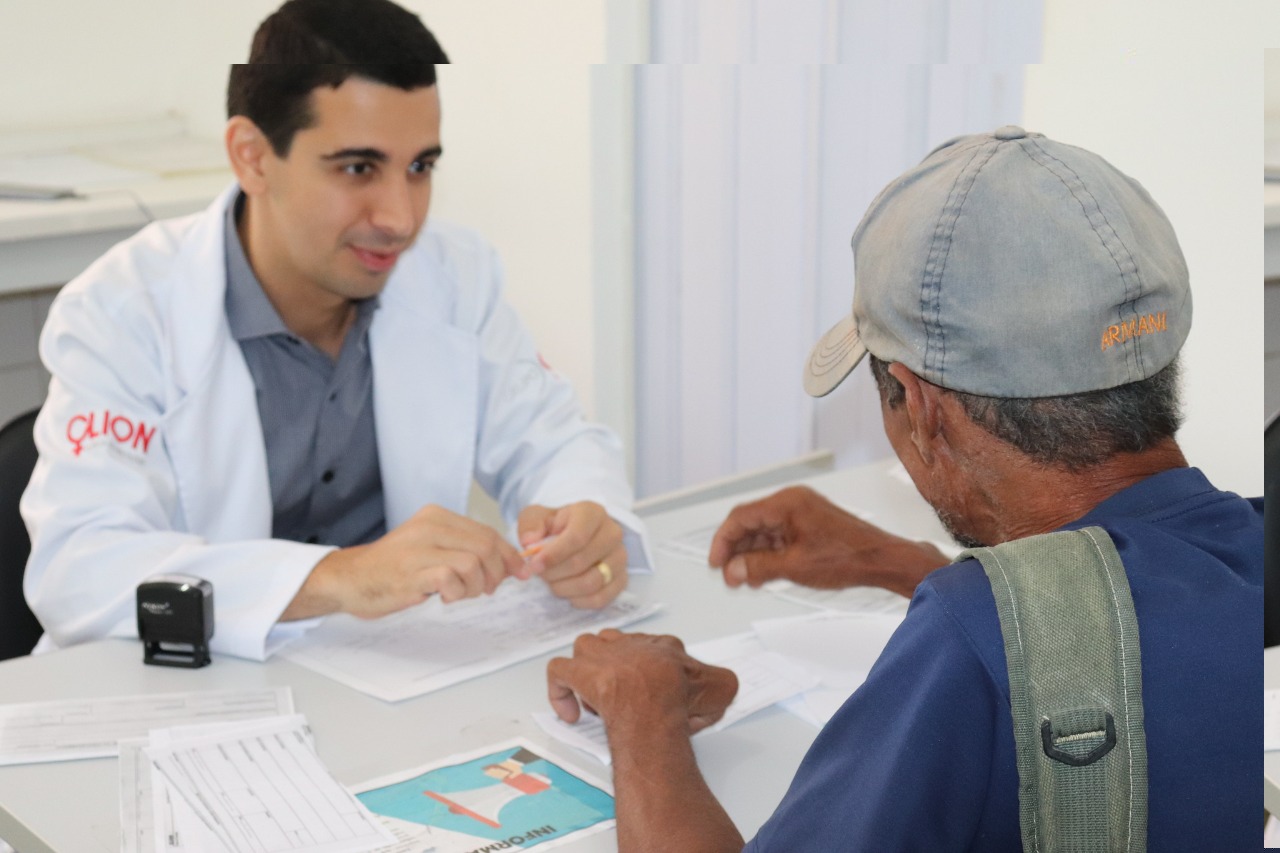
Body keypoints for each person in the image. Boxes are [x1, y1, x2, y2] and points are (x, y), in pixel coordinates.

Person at [546, 126, 1261, 850]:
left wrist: (644, 718)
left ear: (921, 410)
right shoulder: (1249, 555)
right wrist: (896, 562)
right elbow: (1121, 632)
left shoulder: (966, 632)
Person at [21, 0, 648, 662]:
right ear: (252, 157)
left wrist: (584, 520)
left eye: (420, 167)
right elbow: (80, 571)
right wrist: (338, 578)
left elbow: (553, 441)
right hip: (187, 693)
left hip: (384, 680)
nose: (401, 218)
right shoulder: (123, 310)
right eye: (358, 168)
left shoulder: (453, 275)